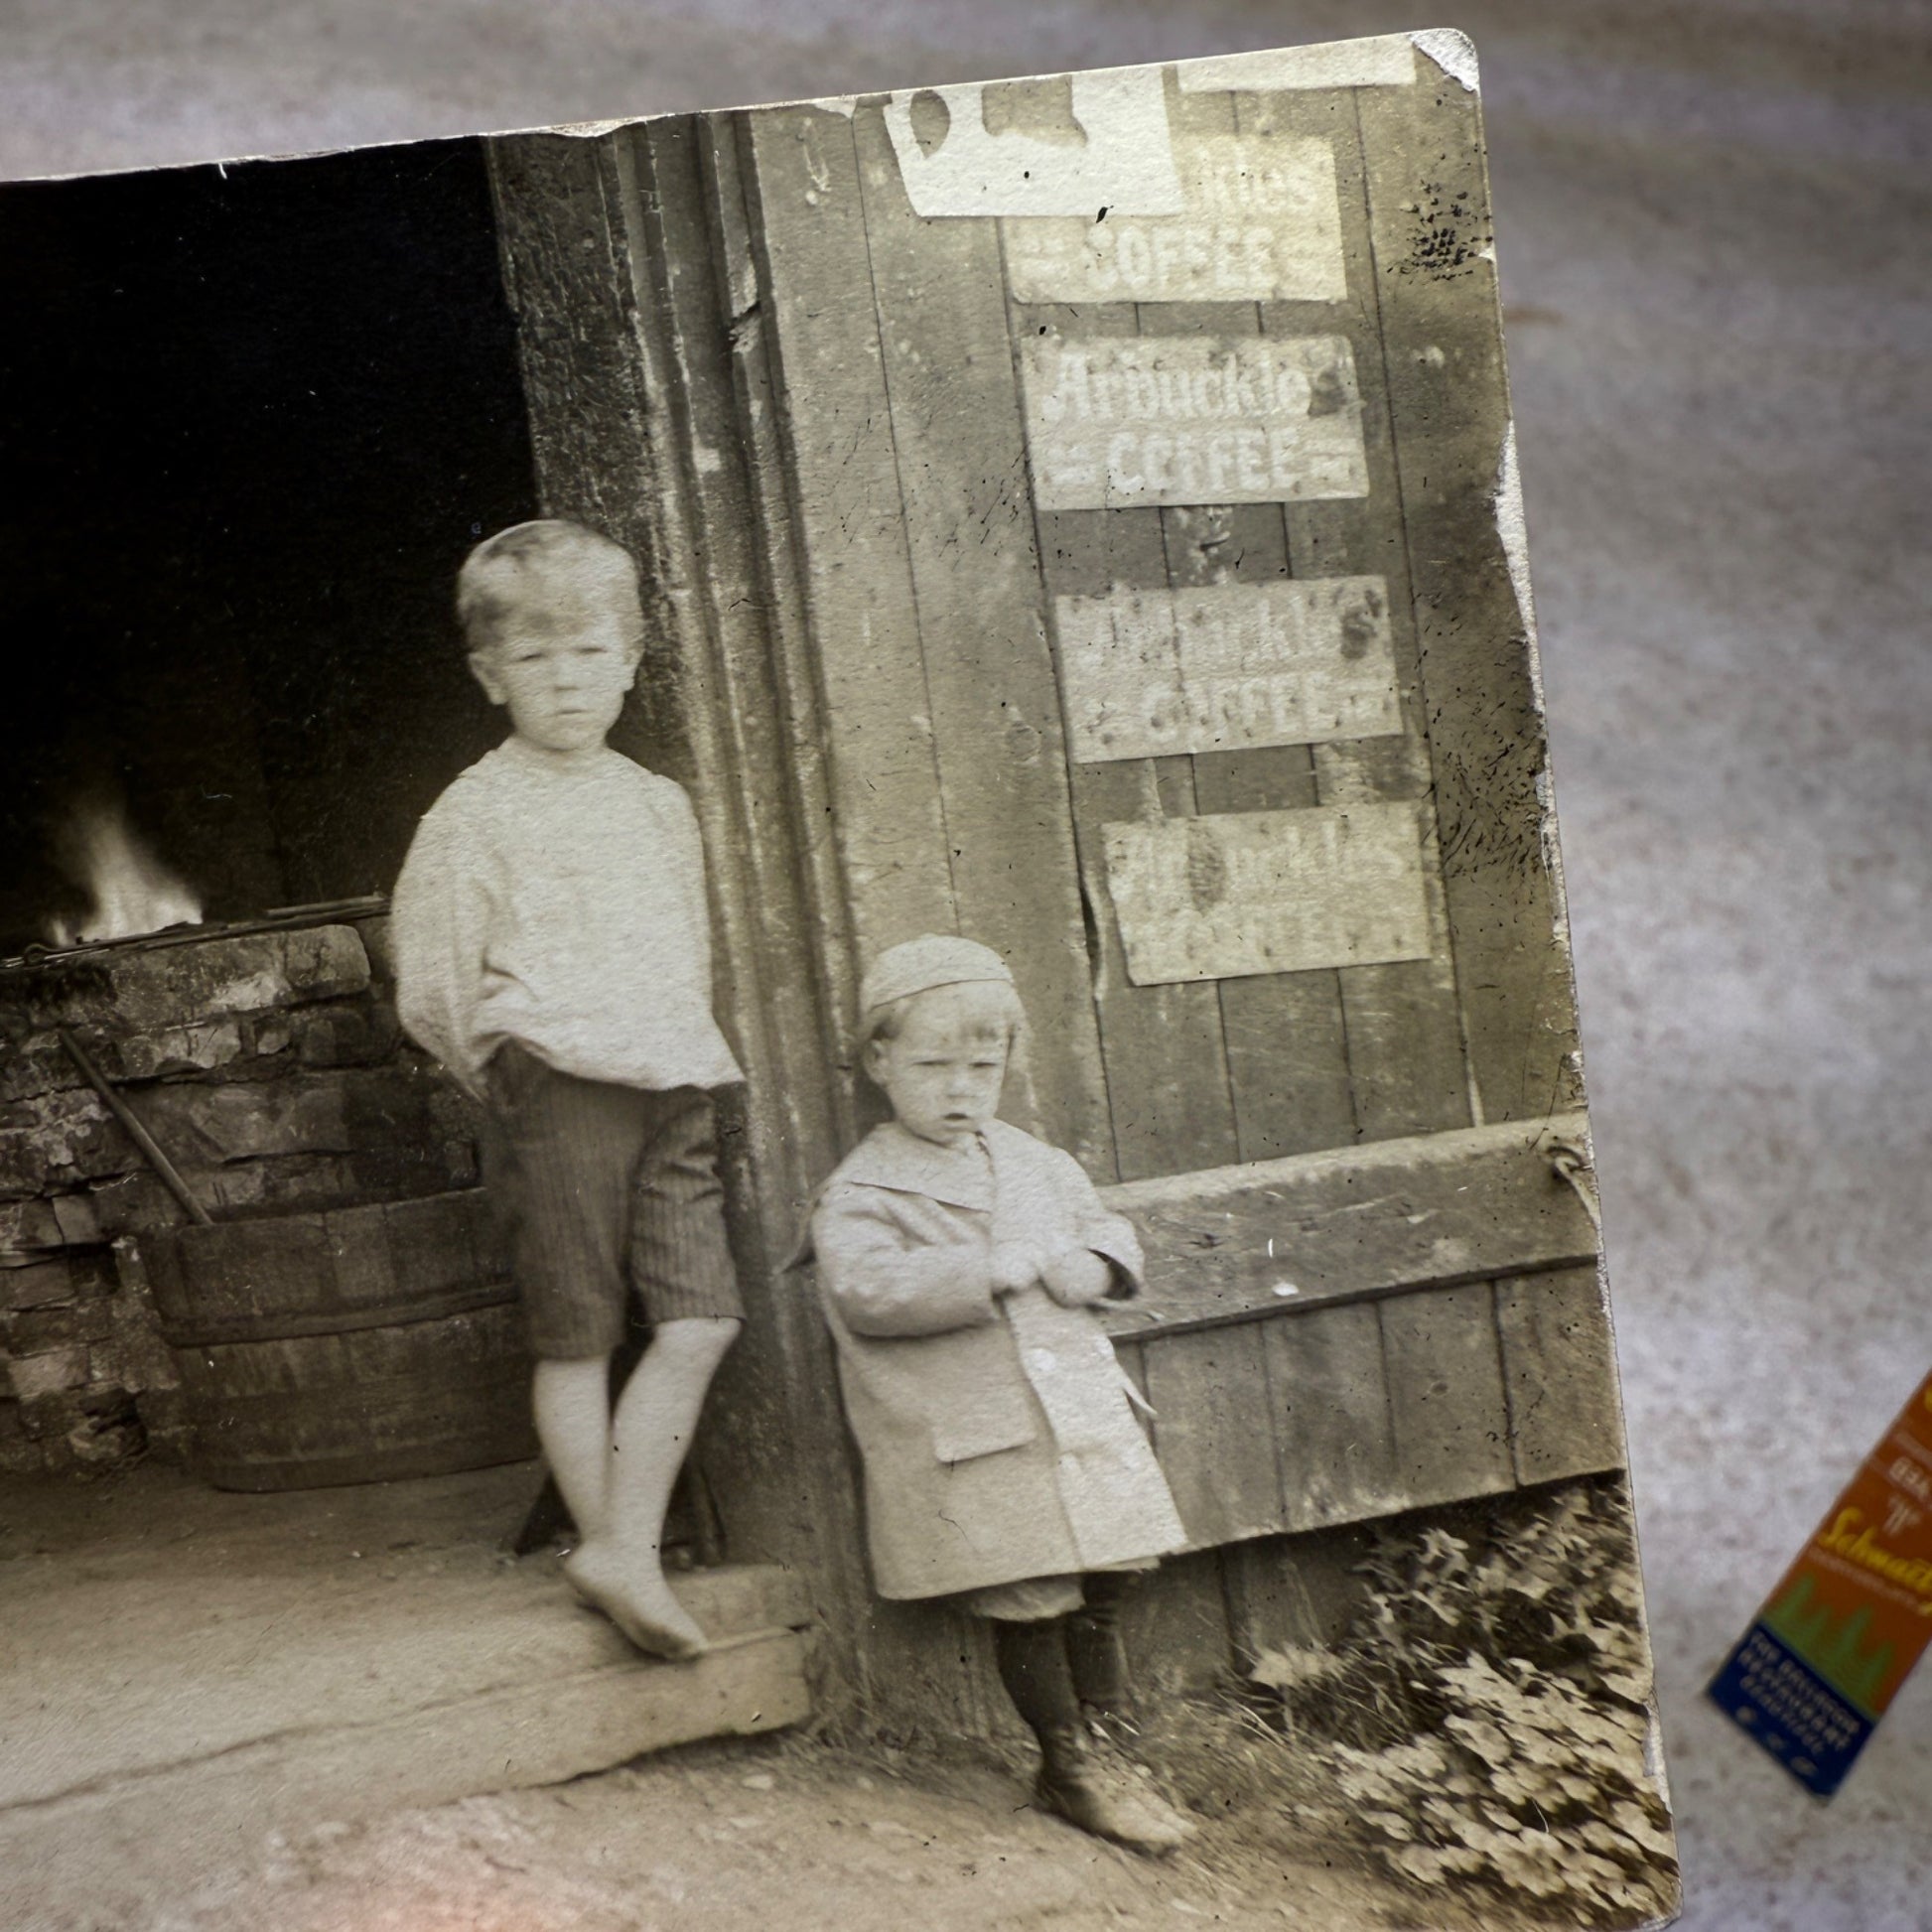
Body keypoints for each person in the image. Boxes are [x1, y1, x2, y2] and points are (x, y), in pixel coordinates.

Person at [392, 518, 743, 1660]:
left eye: (589, 653)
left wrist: (675, 1043)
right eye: (535, 661)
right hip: (558, 1087)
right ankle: (616, 1546)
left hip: (674, 1078)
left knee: (698, 1317)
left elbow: (689, 946)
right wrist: (509, 1072)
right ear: (490, 676)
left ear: (632, 659)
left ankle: (617, 1544)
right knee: (579, 1331)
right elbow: (434, 986)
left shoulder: (656, 804)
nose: (566, 681)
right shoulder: (474, 816)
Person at [804, 933, 1195, 1855]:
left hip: (1077, 1424)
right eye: (933, 1065)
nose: (958, 1089)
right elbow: (865, 1290)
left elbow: (1109, 1225)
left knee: (1107, 1573)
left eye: (982, 1066)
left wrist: (1097, 1262)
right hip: (981, 1437)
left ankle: (1109, 1740)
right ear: (878, 1061)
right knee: (1029, 1591)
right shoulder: (865, 1187)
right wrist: (989, 1266)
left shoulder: (1034, 1160)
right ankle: (1068, 1765)